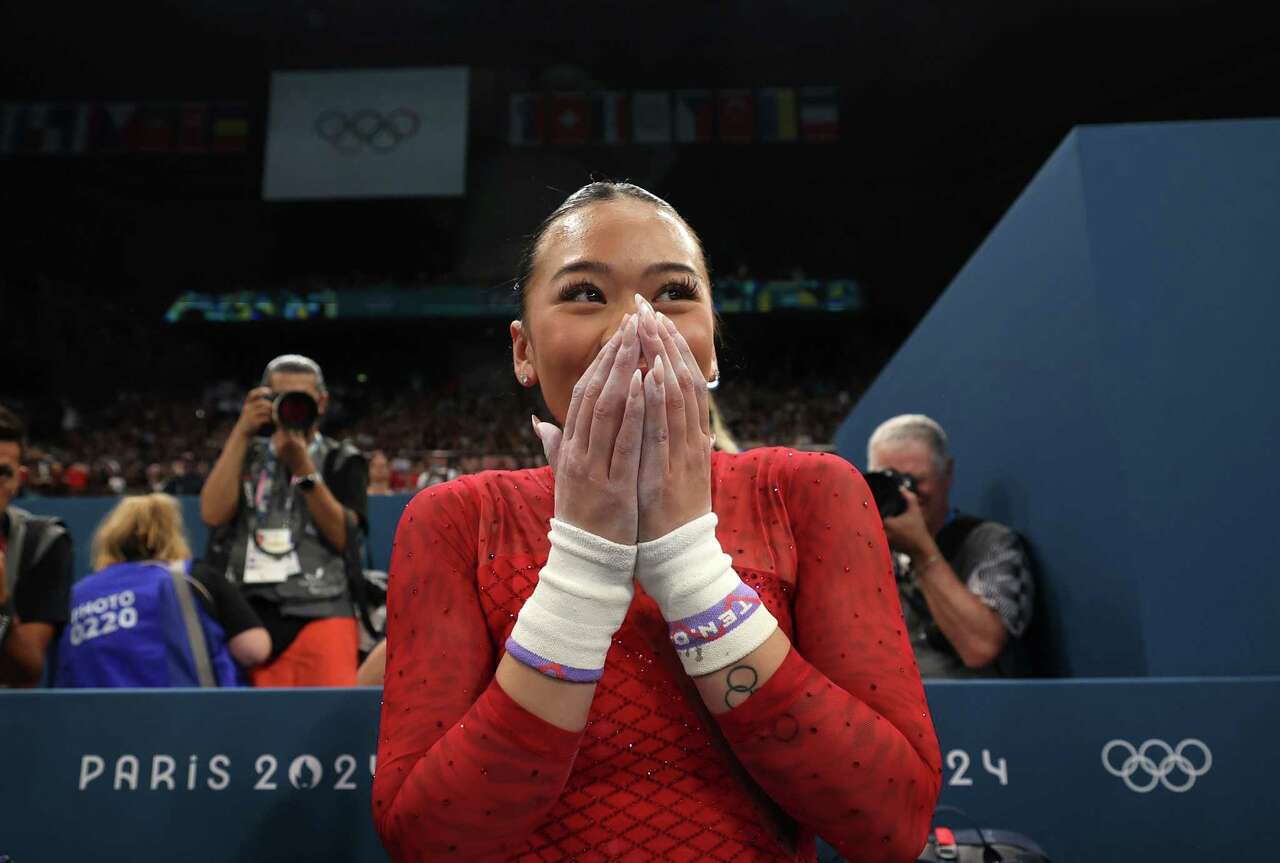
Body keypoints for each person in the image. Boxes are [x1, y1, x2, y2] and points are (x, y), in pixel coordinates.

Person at [374, 183, 940, 863]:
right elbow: (431, 842)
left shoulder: (808, 493)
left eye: (673, 293)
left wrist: (685, 561)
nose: (635, 326)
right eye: (585, 293)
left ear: (711, 346)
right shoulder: (458, 520)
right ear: (522, 351)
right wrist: (583, 567)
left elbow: (890, 822)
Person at [200, 354, 368, 687]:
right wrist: (241, 431)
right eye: (280, 398)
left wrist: (304, 470)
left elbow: (345, 539)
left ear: (321, 402)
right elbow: (212, 513)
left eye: (301, 398)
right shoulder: (244, 453)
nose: (292, 407)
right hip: (245, 611)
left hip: (322, 607)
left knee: (325, 723)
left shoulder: (342, 459)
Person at [867, 414, 1035, 677]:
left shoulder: (990, 543)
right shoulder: (862, 552)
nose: (904, 494)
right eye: (889, 481)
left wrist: (921, 551)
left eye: (915, 481)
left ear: (947, 473)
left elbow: (981, 647)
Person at [51, 494, 270, 687]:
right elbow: (254, 649)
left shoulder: (78, 593)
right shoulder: (193, 578)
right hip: (186, 719)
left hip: (92, 723)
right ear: (173, 533)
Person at [0, 405, 72, 687]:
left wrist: (1, 608)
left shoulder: (41, 543)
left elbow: (25, 674)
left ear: (19, 478)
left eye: (2, 472)